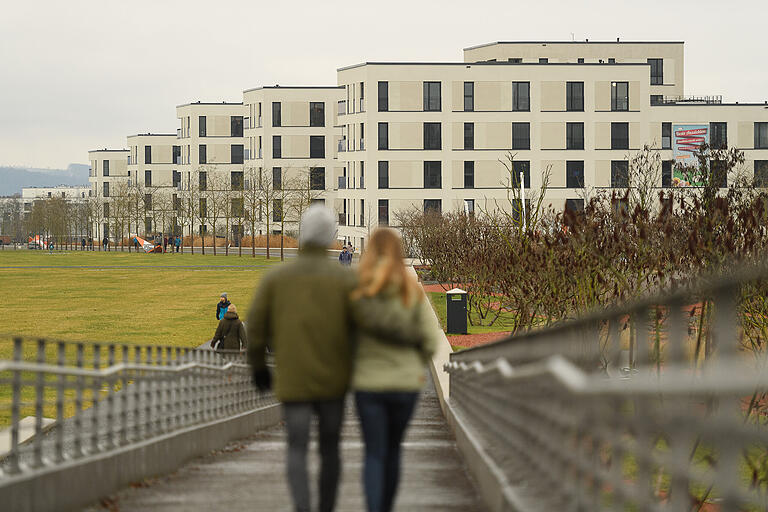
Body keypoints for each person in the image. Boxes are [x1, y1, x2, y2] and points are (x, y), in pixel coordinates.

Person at [247, 205, 357, 512]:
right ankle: (325, 506)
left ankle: (302, 507)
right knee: (330, 449)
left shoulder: (278, 278)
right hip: (334, 381)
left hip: (294, 379)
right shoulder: (345, 281)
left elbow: (255, 326)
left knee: (296, 446)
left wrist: (258, 368)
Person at [349, 228, 438, 512]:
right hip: (404, 384)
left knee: (374, 452)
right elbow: (430, 339)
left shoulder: (358, 290)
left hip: (368, 384)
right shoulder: (410, 290)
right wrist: (416, 363)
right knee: (394, 449)